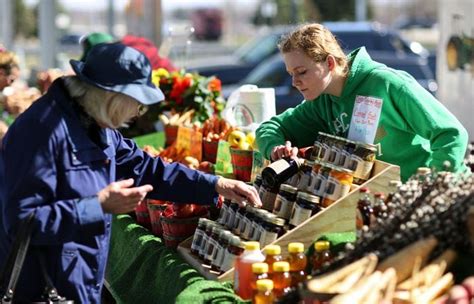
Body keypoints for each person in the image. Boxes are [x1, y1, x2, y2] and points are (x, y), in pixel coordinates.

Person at [0, 43, 261, 303]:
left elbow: (146, 167)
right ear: (110, 96)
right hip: (40, 286)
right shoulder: (39, 131)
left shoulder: (96, 123)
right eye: (137, 102)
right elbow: (23, 220)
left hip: (78, 276)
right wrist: (98, 206)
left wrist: (214, 185)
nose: (139, 112)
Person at [255, 23, 469, 182]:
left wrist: (431, 184)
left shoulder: (387, 83)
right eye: (290, 73)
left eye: (301, 72)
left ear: (329, 62)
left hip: (440, 197)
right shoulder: (320, 103)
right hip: (384, 203)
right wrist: (275, 148)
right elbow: (270, 127)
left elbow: (452, 134)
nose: (294, 82)